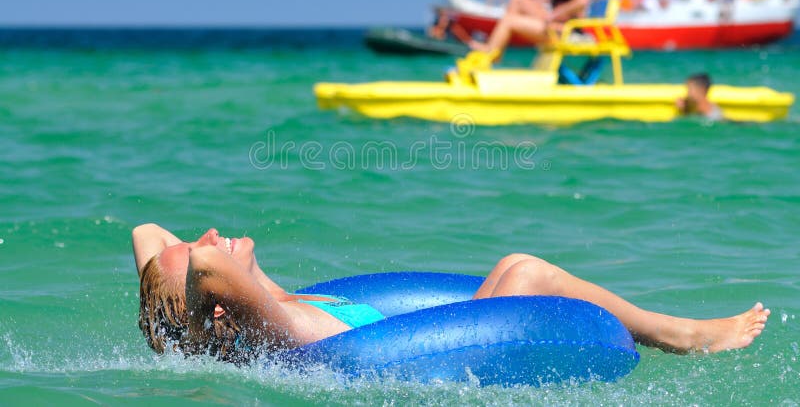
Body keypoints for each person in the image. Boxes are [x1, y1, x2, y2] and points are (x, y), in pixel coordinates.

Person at [134, 223, 769, 363]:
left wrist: (167, 275)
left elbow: (146, 233)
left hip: (436, 325)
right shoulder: (265, 315)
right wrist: (192, 270)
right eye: (199, 248)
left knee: (517, 267)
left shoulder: (267, 301)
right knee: (527, 269)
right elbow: (211, 269)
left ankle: (674, 330)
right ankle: (676, 332)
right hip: (414, 355)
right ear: (217, 293)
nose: (209, 235)